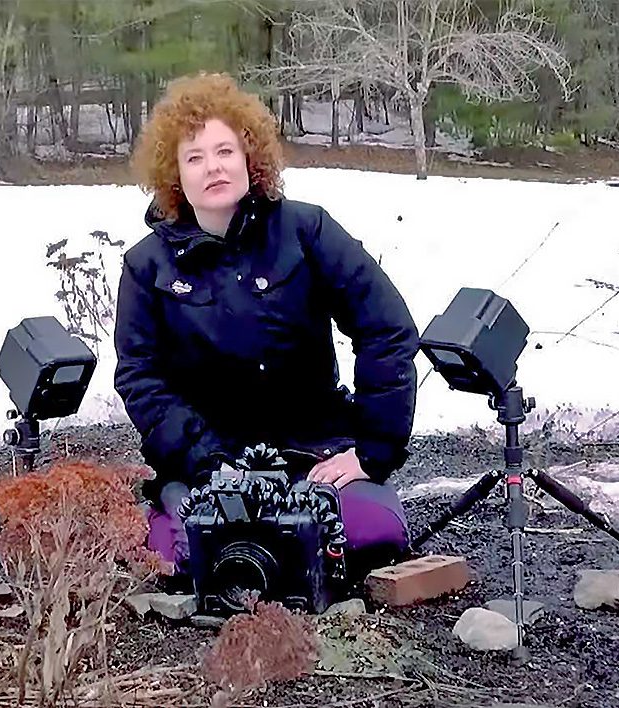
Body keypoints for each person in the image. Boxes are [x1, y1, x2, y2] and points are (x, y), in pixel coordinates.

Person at [114, 73, 419, 582]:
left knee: (374, 531)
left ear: (249, 157)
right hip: (208, 466)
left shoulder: (306, 230)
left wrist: (372, 450)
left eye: (224, 151)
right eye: (194, 157)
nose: (213, 167)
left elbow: (385, 327)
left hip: (313, 453)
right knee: (173, 552)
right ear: (174, 175)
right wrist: (206, 461)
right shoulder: (146, 267)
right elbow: (140, 378)